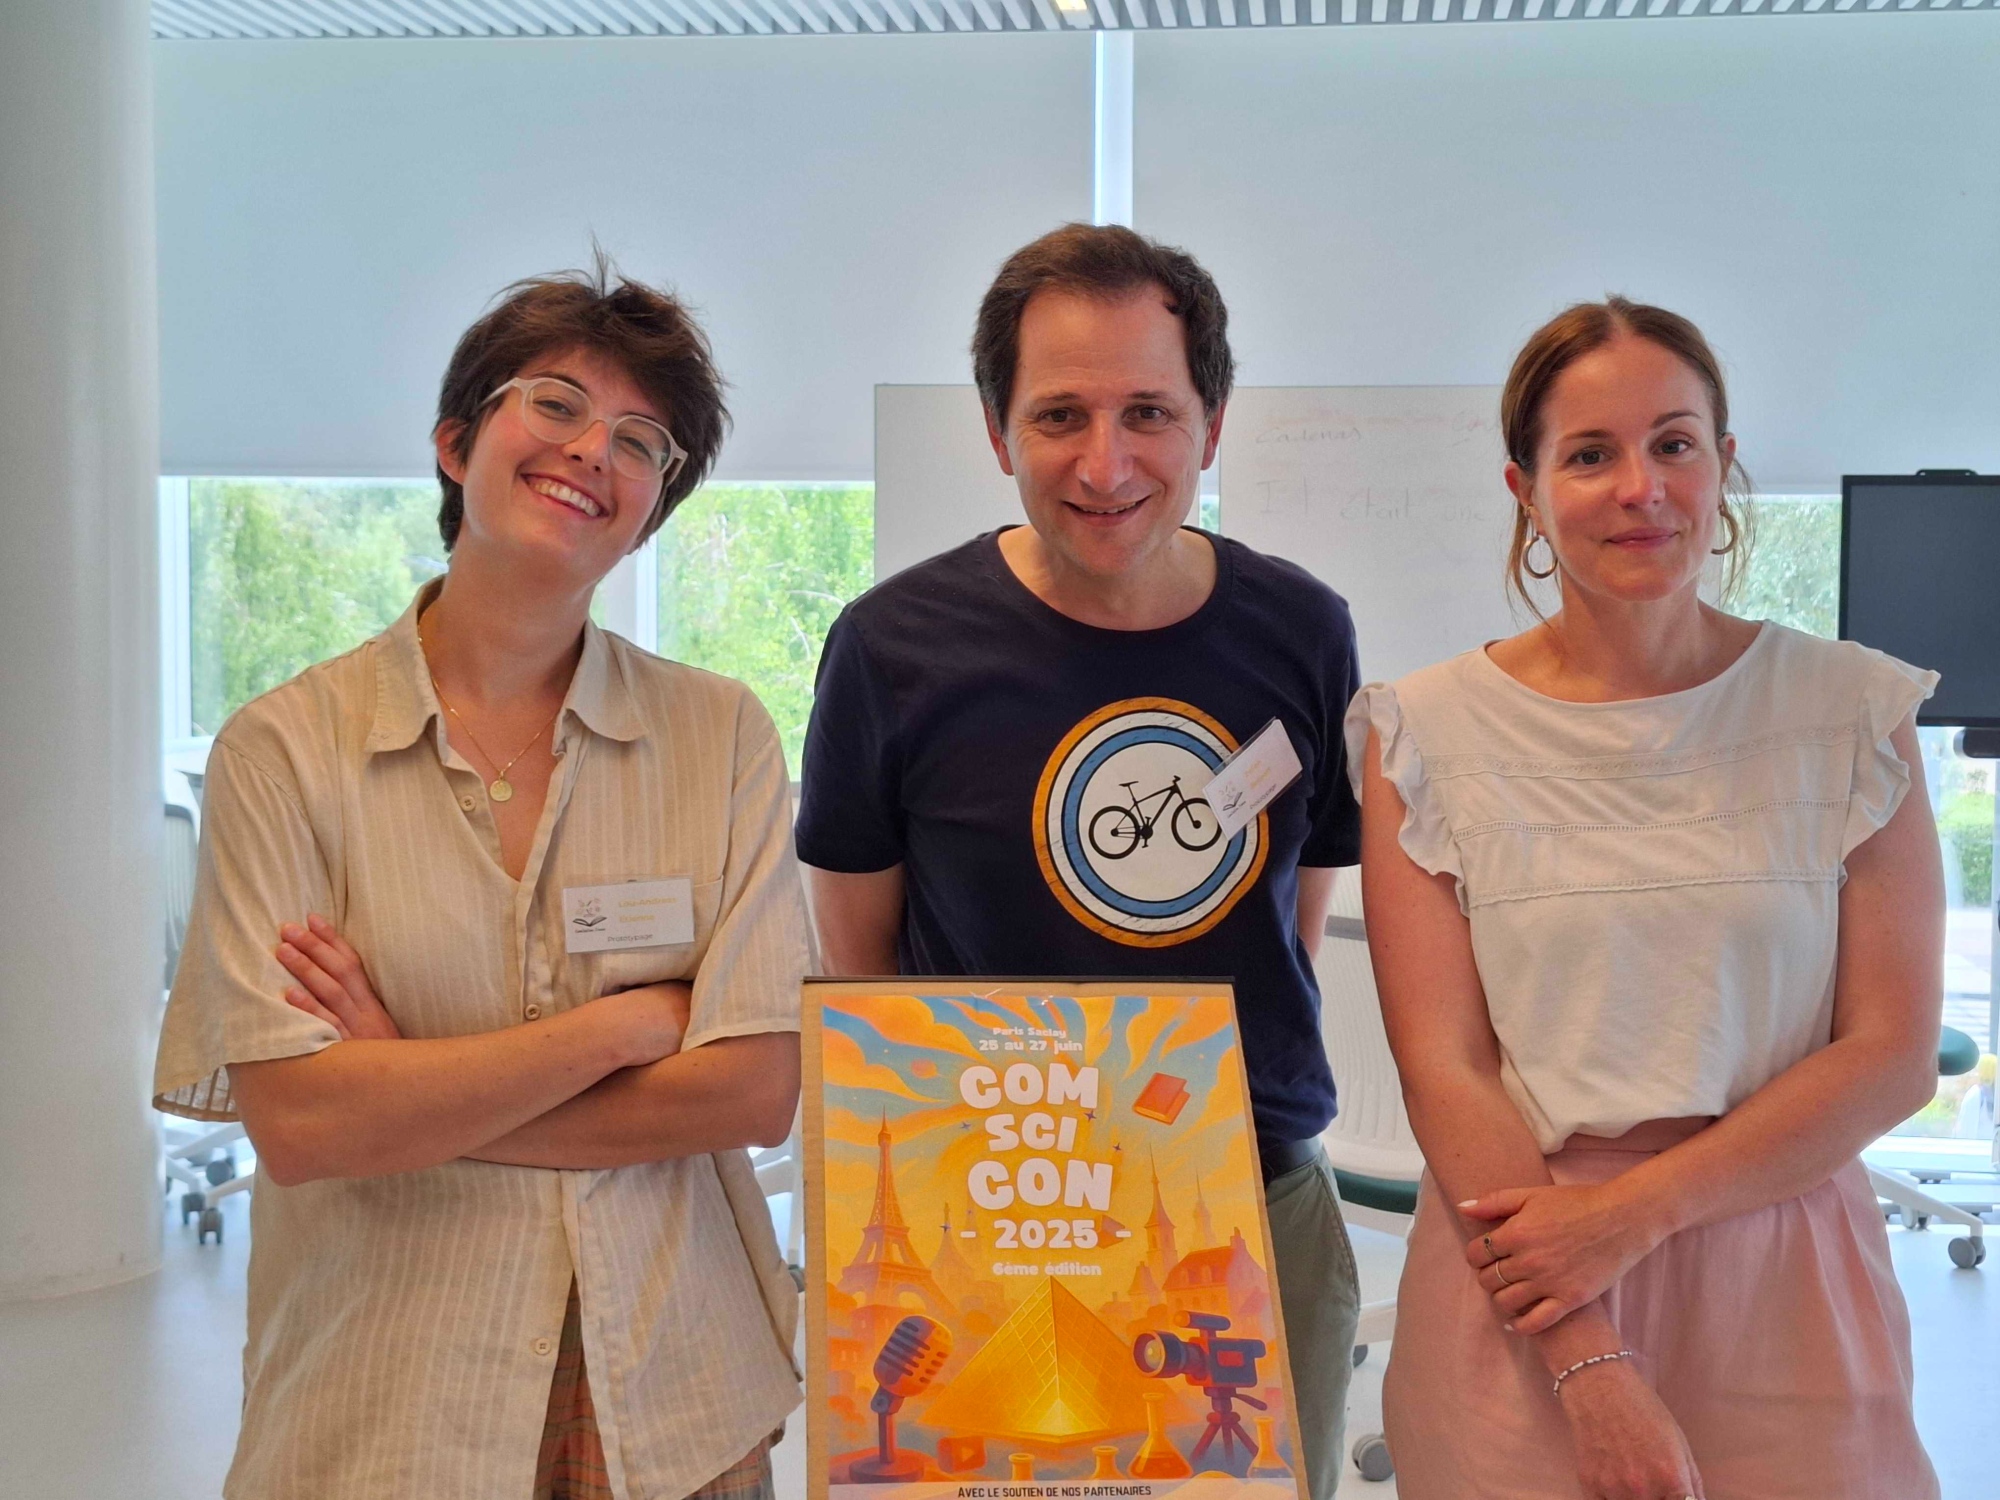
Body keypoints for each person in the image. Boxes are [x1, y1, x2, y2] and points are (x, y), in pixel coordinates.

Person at [153, 263, 808, 1500]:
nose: (592, 450)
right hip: (392, 1403)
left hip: (675, 1396)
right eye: (554, 404)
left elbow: (752, 1091)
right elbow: (301, 1127)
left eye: (640, 442)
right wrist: (624, 1029)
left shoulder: (721, 736)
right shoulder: (285, 753)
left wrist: (405, 1086)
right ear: (456, 443)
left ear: (648, 512)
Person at [796, 223, 1363, 1499]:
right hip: (989, 1223)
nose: (1104, 464)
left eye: (1147, 413)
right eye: (1058, 415)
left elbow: (1293, 916)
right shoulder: (891, 650)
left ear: (1211, 426)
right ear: (997, 431)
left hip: (1247, 1208)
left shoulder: (1303, 632)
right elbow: (864, 967)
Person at [1348, 297, 1942, 1498]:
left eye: (1673, 443)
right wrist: (1587, 1362)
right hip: (1524, 1275)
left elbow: (1889, 1055)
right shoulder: (1425, 734)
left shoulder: (1850, 713)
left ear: (1721, 463)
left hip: (1784, 1272)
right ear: (1524, 490)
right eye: (1588, 454)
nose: (1639, 488)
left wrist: (1633, 1216)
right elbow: (1444, 1071)